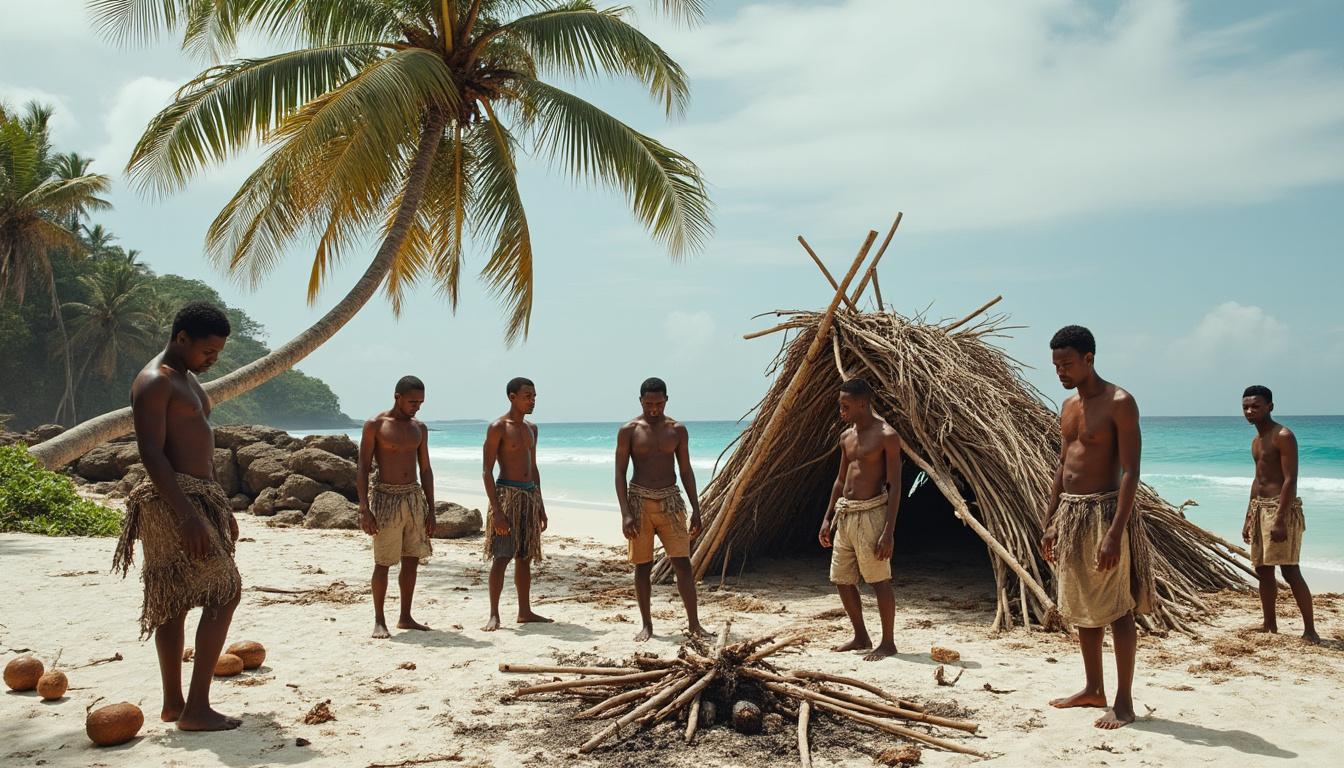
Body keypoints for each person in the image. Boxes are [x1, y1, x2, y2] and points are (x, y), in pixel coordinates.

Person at [113, 302, 241, 731]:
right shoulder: (155, 382)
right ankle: (197, 709)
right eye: (208, 351)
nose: (213, 360)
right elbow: (150, 451)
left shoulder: (185, 378)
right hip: (174, 502)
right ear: (181, 337)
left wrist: (219, 508)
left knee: (173, 601)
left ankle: (173, 704)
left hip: (199, 499)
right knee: (224, 593)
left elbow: (199, 447)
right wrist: (187, 516)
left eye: (218, 353)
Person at [1039, 325, 1156, 730]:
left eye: (1067, 364)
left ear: (1089, 358)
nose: (1060, 372)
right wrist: (1051, 519)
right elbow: (1063, 464)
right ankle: (1093, 689)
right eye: (1055, 365)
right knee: (1082, 606)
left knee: (1117, 607)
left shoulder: (1120, 402)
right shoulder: (1069, 407)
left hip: (1105, 513)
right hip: (1071, 515)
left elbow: (1131, 471)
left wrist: (1114, 532)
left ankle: (1123, 703)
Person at [615, 377, 709, 642]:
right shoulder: (629, 430)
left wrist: (696, 509)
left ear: (666, 400)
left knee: (683, 564)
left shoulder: (677, 430)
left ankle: (694, 624)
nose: (653, 409)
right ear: (640, 401)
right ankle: (647, 625)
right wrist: (625, 513)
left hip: (671, 502)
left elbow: (686, 470)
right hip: (639, 502)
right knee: (642, 566)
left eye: (658, 403)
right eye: (648, 404)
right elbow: (620, 473)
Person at [817, 377, 902, 661]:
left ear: (863, 403)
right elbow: (840, 480)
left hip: (872, 513)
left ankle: (888, 642)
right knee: (841, 578)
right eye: (840, 406)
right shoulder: (846, 437)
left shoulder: (886, 436)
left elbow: (895, 485)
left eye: (846, 406)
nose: (841, 411)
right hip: (846, 514)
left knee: (879, 580)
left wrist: (888, 532)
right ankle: (860, 636)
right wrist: (828, 517)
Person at [357, 375, 435, 639]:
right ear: (397, 397)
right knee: (383, 562)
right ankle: (379, 620)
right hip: (385, 498)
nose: (417, 406)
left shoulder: (419, 428)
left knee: (411, 560)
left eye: (421, 402)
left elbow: (425, 469)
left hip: (413, 498)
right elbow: (363, 468)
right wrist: (364, 509)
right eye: (412, 401)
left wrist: (431, 509)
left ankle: (406, 616)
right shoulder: (375, 425)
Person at [1241, 385, 1318, 643]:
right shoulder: (1256, 441)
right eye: (1246, 407)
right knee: (1263, 570)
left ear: (1270, 407)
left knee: (1290, 570)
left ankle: (1310, 630)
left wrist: (1281, 518)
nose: (1250, 411)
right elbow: (1258, 480)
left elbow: (1290, 479)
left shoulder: (1282, 435)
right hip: (1260, 508)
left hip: (1280, 508)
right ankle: (1269, 624)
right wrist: (1248, 516)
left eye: (1256, 406)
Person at [481, 377, 550, 631]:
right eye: (527, 396)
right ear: (512, 397)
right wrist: (497, 511)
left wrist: (541, 504)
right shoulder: (498, 427)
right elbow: (487, 471)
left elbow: (533, 467)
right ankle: (494, 614)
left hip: (529, 497)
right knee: (502, 556)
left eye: (534, 396)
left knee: (525, 556)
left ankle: (525, 611)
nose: (532, 401)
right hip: (506, 497)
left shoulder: (532, 428)